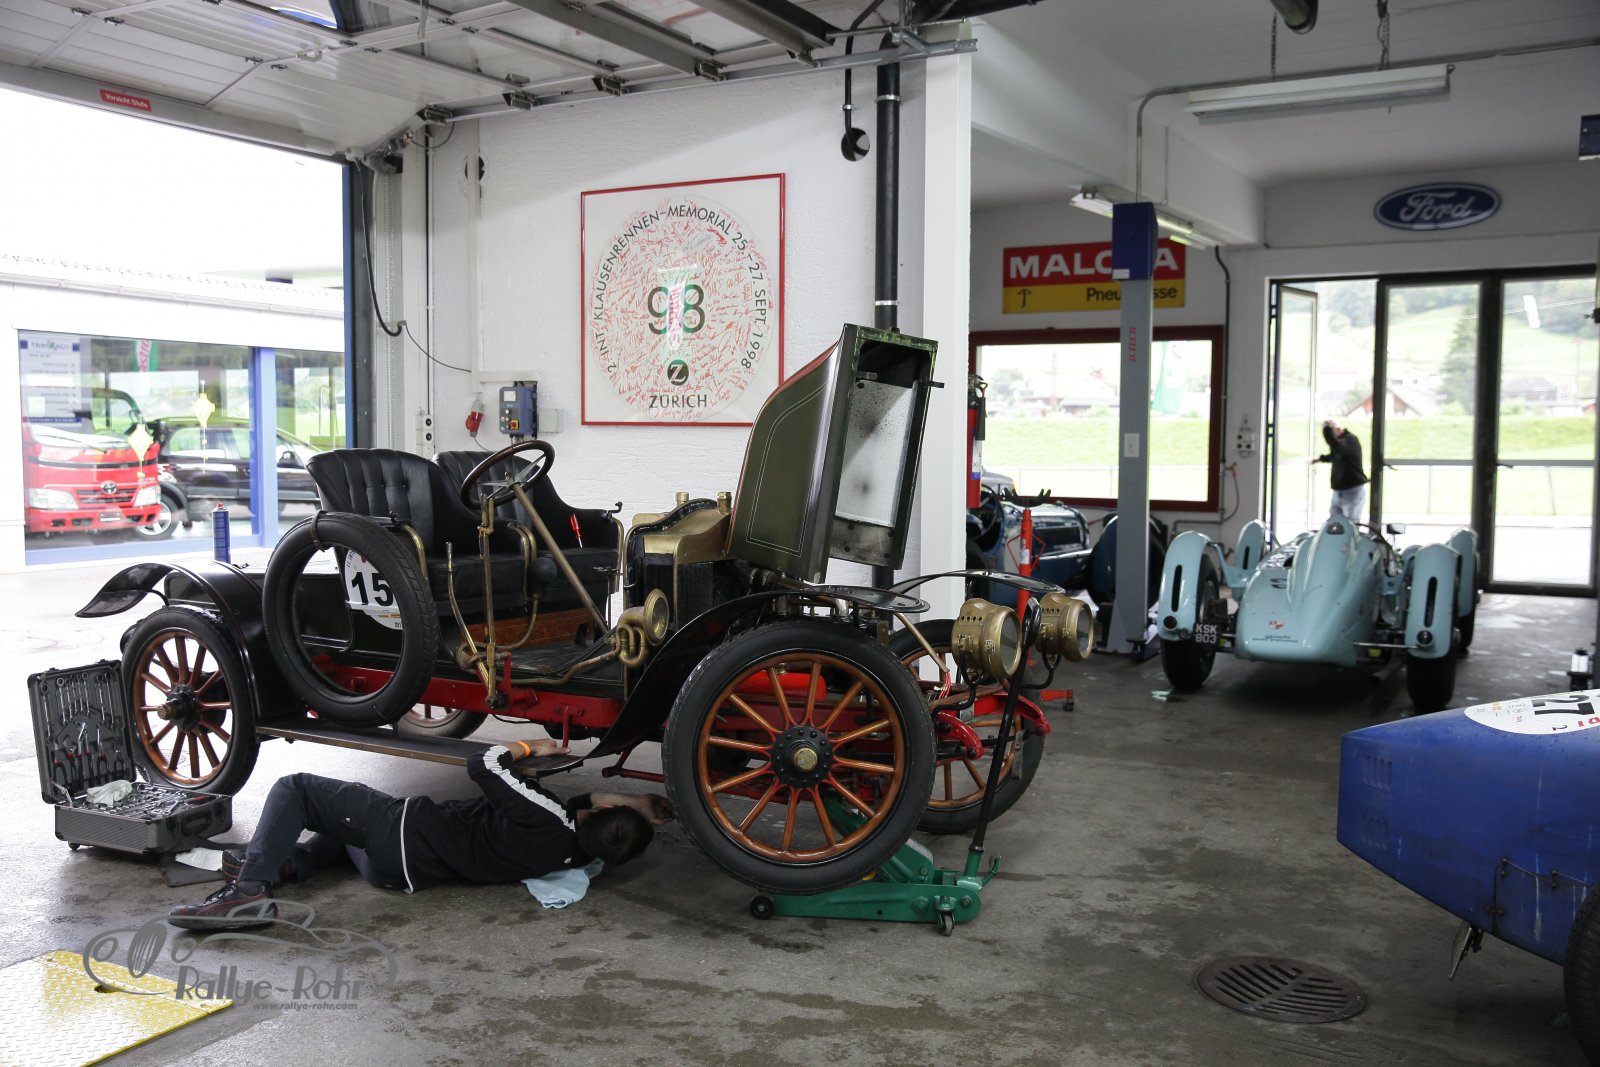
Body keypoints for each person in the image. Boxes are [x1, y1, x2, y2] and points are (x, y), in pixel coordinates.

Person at [168, 739, 673, 931]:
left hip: (398, 830)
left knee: (294, 790)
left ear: (605, 810)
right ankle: (287, 864)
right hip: (395, 873)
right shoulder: (569, 855)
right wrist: (632, 807)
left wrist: (527, 746)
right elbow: (578, 812)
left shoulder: (544, 816)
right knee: (340, 833)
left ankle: (249, 892)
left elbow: (483, 764)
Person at [1315, 418, 1368, 521]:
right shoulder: (1341, 443)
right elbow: (1335, 456)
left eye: (1331, 434)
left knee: (1351, 523)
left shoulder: (1350, 440)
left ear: (1338, 429)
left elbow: (1337, 447)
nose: (1331, 438)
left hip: (1352, 490)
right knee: (1335, 523)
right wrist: (1320, 459)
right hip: (1338, 491)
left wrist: (1327, 430)